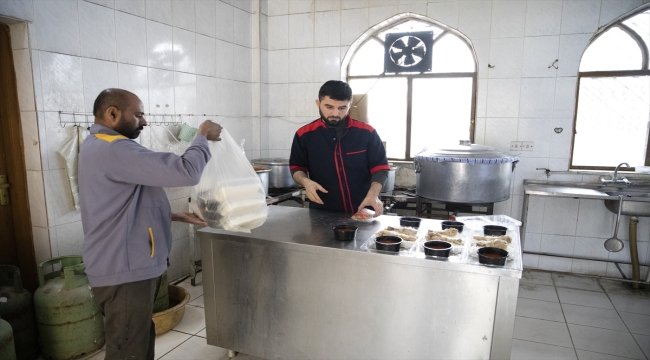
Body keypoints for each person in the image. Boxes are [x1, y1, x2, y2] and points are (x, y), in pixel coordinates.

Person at [78, 88, 222, 360]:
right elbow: (187, 171)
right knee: (129, 348)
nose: (144, 121)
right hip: (124, 270)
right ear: (112, 114)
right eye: (139, 115)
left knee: (137, 337)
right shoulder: (114, 148)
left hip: (123, 265)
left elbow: (119, 205)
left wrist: (175, 216)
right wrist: (201, 134)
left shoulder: (97, 145)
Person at [289, 80, 390, 215]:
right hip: (323, 211)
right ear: (318, 103)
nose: (335, 113)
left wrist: (373, 195)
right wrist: (306, 182)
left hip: (364, 208)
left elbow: (381, 168)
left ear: (350, 104)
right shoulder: (304, 135)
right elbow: (297, 167)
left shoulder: (367, 133)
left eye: (342, 108)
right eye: (329, 107)